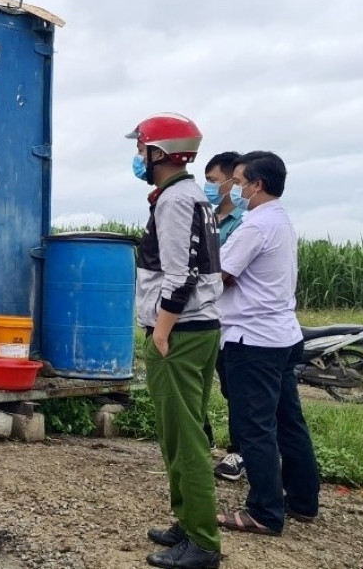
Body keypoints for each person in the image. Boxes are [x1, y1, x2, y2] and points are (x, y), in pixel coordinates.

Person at [127, 113, 223, 569]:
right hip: (197, 330)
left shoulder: (174, 201)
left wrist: (161, 332)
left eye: (141, 149)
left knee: (185, 437)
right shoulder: (189, 195)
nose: (138, 157)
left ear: (158, 154)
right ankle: (188, 523)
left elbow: (179, 276)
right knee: (181, 432)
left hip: (180, 333)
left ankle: (203, 543)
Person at [215, 151, 320, 536]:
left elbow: (223, 274)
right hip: (281, 336)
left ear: (257, 185)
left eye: (239, 182)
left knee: (255, 426)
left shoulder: (255, 226)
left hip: (252, 339)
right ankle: (304, 502)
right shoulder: (281, 219)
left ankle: (263, 511)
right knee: (288, 420)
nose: (235, 189)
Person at [202, 151, 246, 481]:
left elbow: (224, 273)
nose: (210, 188)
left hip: (236, 320)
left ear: (234, 182)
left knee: (237, 389)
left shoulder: (245, 224)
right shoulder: (211, 218)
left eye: (215, 181)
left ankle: (240, 453)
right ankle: (205, 442)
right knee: (213, 385)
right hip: (211, 317)